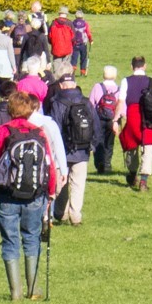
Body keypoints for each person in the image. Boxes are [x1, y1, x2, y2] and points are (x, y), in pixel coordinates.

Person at [0, 91, 60, 301]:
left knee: (10, 240)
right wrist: (51, 191)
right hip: (35, 195)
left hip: (7, 195)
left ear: (10, 109)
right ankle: (33, 289)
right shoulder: (40, 133)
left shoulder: (3, 131)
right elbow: (49, 166)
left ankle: (15, 292)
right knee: (32, 238)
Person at [43, 71, 95, 225]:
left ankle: (62, 213)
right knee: (78, 184)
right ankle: (75, 215)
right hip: (82, 150)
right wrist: (92, 145)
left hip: (63, 150)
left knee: (61, 181)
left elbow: (55, 128)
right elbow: (95, 125)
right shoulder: (86, 102)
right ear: (74, 84)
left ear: (60, 86)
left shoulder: (57, 103)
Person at [119, 56, 152, 193]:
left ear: (132, 67)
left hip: (132, 116)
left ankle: (132, 172)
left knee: (131, 145)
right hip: (148, 117)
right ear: (145, 66)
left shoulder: (126, 81)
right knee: (149, 147)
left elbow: (121, 101)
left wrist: (116, 119)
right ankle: (143, 181)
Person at [87, 65, 123, 175]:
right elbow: (121, 106)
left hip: (98, 118)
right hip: (112, 119)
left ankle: (99, 163)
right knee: (109, 142)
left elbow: (91, 104)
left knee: (98, 141)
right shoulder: (118, 89)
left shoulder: (97, 87)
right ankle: (107, 164)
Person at [69, 11, 92, 75]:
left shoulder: (72, 23)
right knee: (83, 58)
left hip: (74, 44)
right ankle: (83, 71)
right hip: (83, 44)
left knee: (74, 58)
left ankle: (72, 71)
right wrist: (91, 40)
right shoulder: (85, 23)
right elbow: (88, 33)